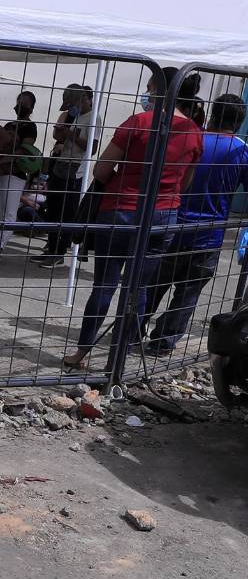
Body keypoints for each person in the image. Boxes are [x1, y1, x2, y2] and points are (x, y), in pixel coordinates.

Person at [63, 68, 205, 371]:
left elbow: (101, 170)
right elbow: (185, 182)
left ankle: (82, 352)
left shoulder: (138, 122)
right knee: (139, 288)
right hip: (164, 214)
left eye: (149, 85)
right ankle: (119, 358)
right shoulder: (193, 131)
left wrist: (122, 180)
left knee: (104, 285)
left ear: (156, 87)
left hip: (120, 209)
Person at [144, 94, 248, 356]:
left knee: (153, 284)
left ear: (213, 113)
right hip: (209, 233)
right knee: (187, 294)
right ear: (240, 120)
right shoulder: (240, 150)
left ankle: (131, 331)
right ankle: (162, 342)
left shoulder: (193, 138)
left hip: (173, 224)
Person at [33, 84, 100, 268]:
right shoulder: (74, 115)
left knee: (66, 212)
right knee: (53, 209)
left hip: (75, 170)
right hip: (60, 166)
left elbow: (92, 149)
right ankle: (51, 248)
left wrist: (70, 135)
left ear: (82, 99)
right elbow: (59, 135)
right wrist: (62, 132)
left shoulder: (93, 119)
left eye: (72, 103)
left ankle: (59, 252)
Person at [0, 120, 41, 263]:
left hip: (15, 175)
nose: (19, 105)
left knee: (9, 214)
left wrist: (0, 161)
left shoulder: (30, 127)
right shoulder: (10, 125)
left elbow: (24, 151)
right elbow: (0, 144)